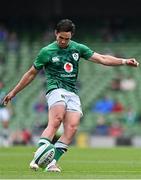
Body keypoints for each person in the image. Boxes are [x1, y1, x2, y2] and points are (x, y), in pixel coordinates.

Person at [2, 19, 139, 172]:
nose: (63, 41)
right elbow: (30, 74)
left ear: (71, 36)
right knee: (57, 119)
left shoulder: (77, 48)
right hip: (55, 89)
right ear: (56, 34)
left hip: (72, 92)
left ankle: (52, 162)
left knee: (72, 128)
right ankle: (38, 156)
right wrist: (13, 92)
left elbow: (102, 58)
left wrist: (125, 61)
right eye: (61, 37)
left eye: (67, 38)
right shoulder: (46, 51)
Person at [0, 81, 12, 147]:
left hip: (3, 108)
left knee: (5, 124)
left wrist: (9, 109)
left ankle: (5, 139)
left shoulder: (4, 92)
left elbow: (8, 100)